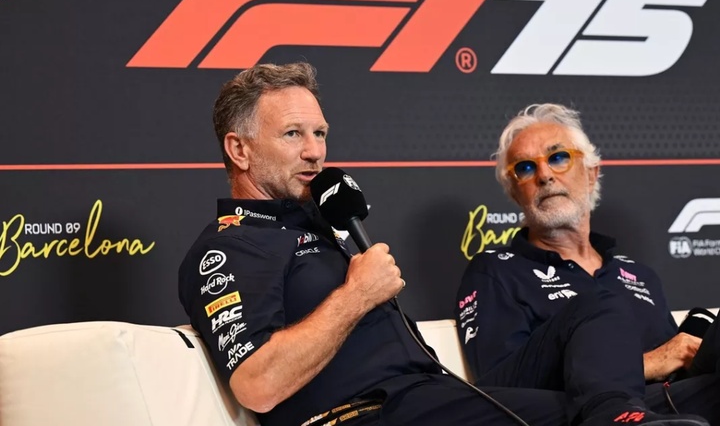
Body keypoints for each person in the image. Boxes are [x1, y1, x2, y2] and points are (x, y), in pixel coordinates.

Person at [178, 63, 703, 426]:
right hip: (365, 415)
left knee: (646, 392)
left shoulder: (325, 228)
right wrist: (357, 295)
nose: (316, 152)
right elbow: (257, 385)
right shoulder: (229, 248)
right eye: (294, 134)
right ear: (239, 150)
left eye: (321, 133)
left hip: (436, 398)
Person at [456, 103, 719, 425]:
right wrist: (650, 363)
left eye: (558, 157)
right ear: (515, 193)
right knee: (597, 304)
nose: (544, 175)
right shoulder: (496, 271)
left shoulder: (640, 275)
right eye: (525, 167)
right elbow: (497, 394)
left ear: (592, 174)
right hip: (589, 415)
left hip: (681, 404)